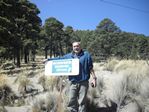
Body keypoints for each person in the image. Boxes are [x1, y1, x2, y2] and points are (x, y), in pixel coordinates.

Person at [45, 41, 97, 112]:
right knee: (71, 101)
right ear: (72, 47)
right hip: (72, 83)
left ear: (80, 46)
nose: (76, 47)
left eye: (77, 46)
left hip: (83, 83)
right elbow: (60, 59)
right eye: (74, 46)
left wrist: (94, 78)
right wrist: (49, 60)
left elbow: (90, 68)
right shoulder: (69, 56)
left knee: (82, 102)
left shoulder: (86, 55)